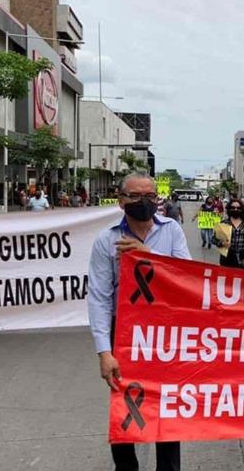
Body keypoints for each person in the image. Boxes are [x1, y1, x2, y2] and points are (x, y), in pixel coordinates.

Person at [86, 173, 189, 471]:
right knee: (125, 405)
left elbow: (185, 276)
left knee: (166, 405)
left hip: (164, 333)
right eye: (136, 196)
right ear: (121, 201)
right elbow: (99, 297)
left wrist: (149, 256)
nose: (144, 202)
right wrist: (104, 351)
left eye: (150, 196)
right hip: (126, 335)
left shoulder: (172, 231)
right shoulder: (106, 240)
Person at [213, 199, 244, 270]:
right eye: (233, 208)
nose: (235, 209)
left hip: (243, 258)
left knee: (242, 278)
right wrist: (222, 243)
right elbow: (214, 239)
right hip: (227, 257)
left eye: (238, 208)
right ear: (229, 209)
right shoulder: (224, 223)